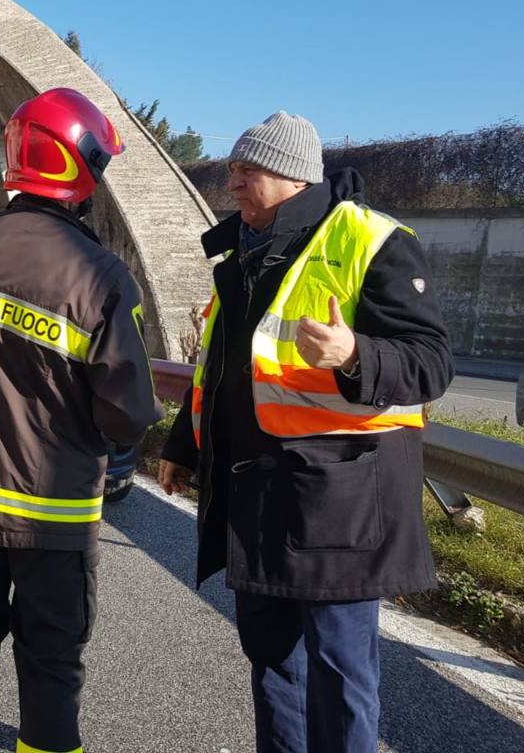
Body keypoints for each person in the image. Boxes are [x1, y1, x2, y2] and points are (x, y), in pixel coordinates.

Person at [158, 111, 454, 753]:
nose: (231, 182)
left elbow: (431, 364)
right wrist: (183, 447)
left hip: (337, 507)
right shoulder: (244, 249)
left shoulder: (373, 240)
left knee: (340, 676)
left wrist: (355, 355)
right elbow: (223, 363)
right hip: (255, 499)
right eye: (232, 168)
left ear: (293, 177)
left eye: (247, 169)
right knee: (271, 667)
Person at [0, 88, 164, 753]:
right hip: (49, 513)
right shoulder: (101, 279)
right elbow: (129, 414)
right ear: (82, 172)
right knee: (50, 660)